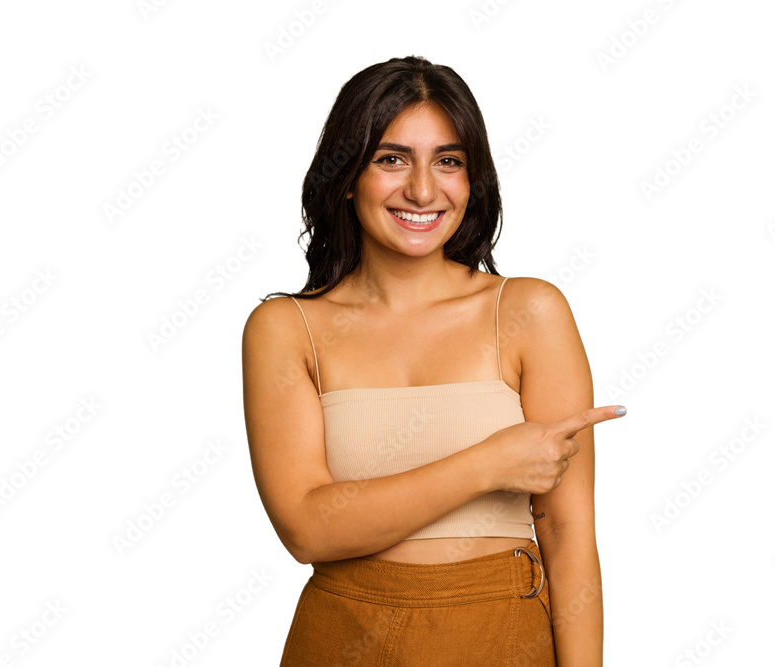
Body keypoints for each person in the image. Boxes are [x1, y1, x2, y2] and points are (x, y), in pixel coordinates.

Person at [242, 55, 626, 666]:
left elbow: (568, 533)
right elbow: (308, 529)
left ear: (473, 180)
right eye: (391, 159)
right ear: (347, 176)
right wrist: (489, 463)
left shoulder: (530, 311)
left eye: (449, 161)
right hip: (341, 637)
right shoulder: (286, 328)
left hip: (499, 633)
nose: (423, 189)